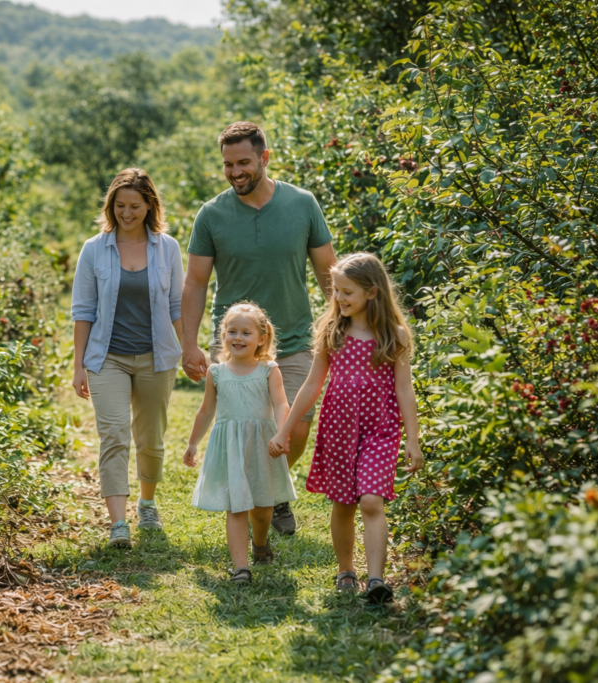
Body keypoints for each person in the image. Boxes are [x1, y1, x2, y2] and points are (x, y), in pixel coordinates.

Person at [181, 121, 338, 537]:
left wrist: (340, 324)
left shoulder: (302, 204)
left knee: (298, 424)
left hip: (295, 338)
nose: (236, 172)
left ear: (264, 158)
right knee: (245, 427)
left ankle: (272, 493)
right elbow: (195, 282)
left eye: (244, 162)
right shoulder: (211, 214)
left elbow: (328, 271)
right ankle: (259, 499)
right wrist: (190, 344)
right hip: (236, 347)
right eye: (228, 164)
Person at [275, 252, 423, 603]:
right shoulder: (332, 331)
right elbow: (312, 385)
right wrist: (285, 429)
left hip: (381, 430)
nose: (339, 298)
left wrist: (412, 440)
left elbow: (404, 389)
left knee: (371, 500)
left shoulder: (394, 335)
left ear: (372, 293)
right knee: (343, 504)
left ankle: (376, 579)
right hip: (339, 428)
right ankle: (346, 570)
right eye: (336, 291)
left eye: (347, 292)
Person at [71, 168, 185, 549]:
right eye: (120, 206)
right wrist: (77, 366)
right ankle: (118, 524)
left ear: (149, 205)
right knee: (114, 435)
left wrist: (191, 349)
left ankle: (147, 503)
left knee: (151, 440)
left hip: (157, 357)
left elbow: (176, 305)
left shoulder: (167, 247)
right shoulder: (94, 248)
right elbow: (83, 309)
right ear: (111, 206)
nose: (127, 213)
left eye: (134, 206)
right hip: (107, 358)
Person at [183, 302, 296, 584]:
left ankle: (260, 544)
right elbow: (206, 410)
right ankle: (241, 567)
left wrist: (282, 432)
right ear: (223, 336)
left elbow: (281, 403)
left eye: (246, 333)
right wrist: (193, 443)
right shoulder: (217, 373)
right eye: (231, 331)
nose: (238, 337)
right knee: (236, 506)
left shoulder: (269, 369)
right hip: (230, 447)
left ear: (261, 338)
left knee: (262, 507)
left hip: (262, 444)